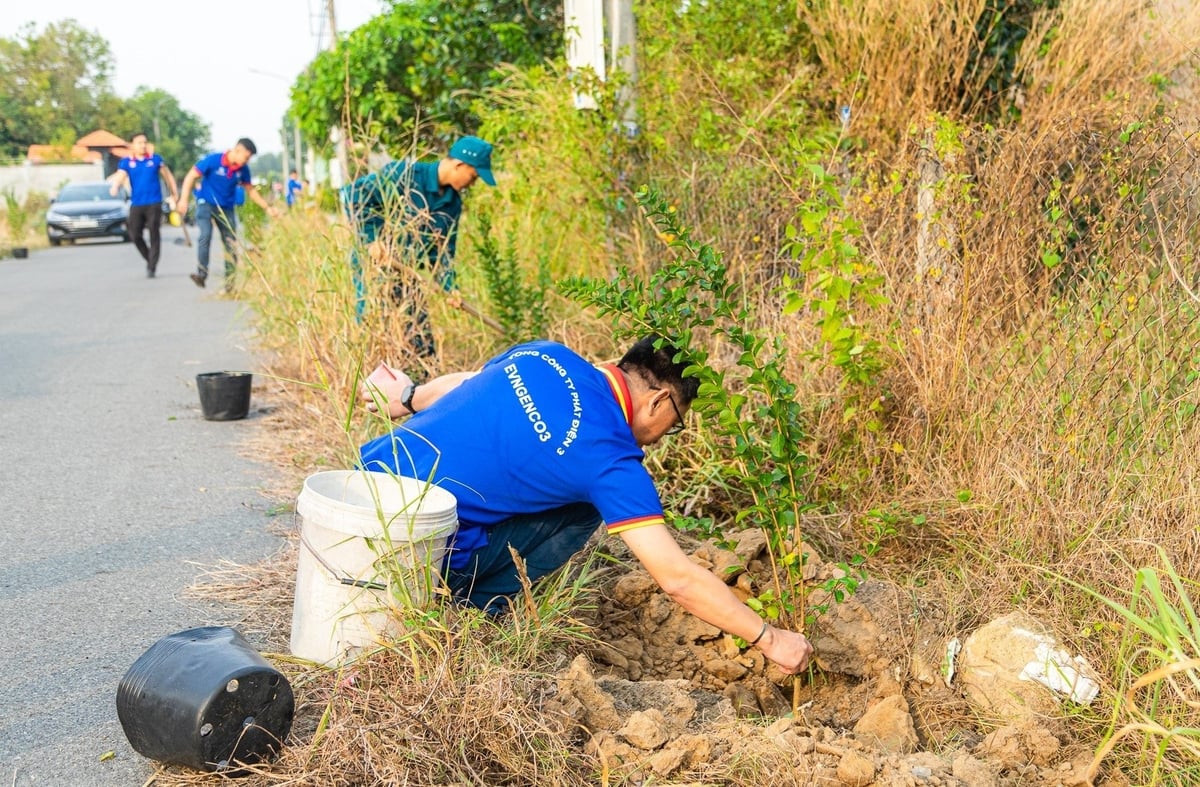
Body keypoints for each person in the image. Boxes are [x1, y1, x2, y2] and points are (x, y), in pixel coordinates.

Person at [358, 335, 815, 675]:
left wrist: (407, 397)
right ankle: (471, 610)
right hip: (415, 552)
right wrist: (771, 639)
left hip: (360, 492)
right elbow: (677, 578)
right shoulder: (611, 459)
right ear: (659, 401)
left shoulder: (544, 353)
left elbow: (466, 384)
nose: (660, 438)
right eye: (672, 425)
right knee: (586, 509)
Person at [341, 135, 496, 356]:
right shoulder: (405, 175)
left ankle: (420, 383)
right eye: (473, 176)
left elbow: (444, 250)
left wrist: (450, 286)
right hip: (376, 267)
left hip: (408, 272)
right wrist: (372, 239)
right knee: (373, 327)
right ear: (459, 165)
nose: (473, 183)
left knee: (419, 338)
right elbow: (354, 195)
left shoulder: (453, 203)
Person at [175, 138, 278, 291]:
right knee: (205, 235)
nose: (246, 161)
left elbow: (251, 190)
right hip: (206, 204)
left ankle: (230, 284)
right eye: (246, 157)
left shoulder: (243, 170)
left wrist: (267, 207)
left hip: (227, 208)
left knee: (231, 244)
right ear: (237, 150)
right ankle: (201, 274)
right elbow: (191, 176)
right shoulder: (213, 160)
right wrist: (183, 200)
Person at [109, 133, 179, 278]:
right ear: (132, 145)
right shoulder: (127, 162)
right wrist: (115, 186)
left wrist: (174, 192)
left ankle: (152, 267)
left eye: (144, 142)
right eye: (139, 143)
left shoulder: (155, 160)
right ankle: (150, 258)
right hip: (137, 203)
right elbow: (120, 175)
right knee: (134, 233)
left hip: (154, 202)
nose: (142, 145)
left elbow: (167, 176)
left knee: (154, 232)